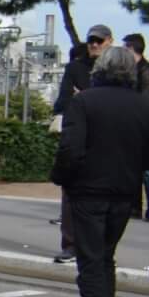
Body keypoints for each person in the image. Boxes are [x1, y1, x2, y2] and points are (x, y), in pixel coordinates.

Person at [53, 44, 149, 297]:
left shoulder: (84, 101)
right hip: (124, 193)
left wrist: (62, 178)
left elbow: (70, 149)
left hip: (88, 190)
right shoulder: (144, 106)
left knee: (90, 260)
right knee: (106, 259)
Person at [53, 24, 113, 262]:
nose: (94, 45)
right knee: (71, 193)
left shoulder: (117, 69)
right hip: (80, 137)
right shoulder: (76, 68)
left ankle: (100, 246)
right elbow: (63, 101)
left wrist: (85, 97)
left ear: (109, 41)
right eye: (91, 41)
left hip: (107, 141)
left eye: (99, 41)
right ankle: (70, 244)